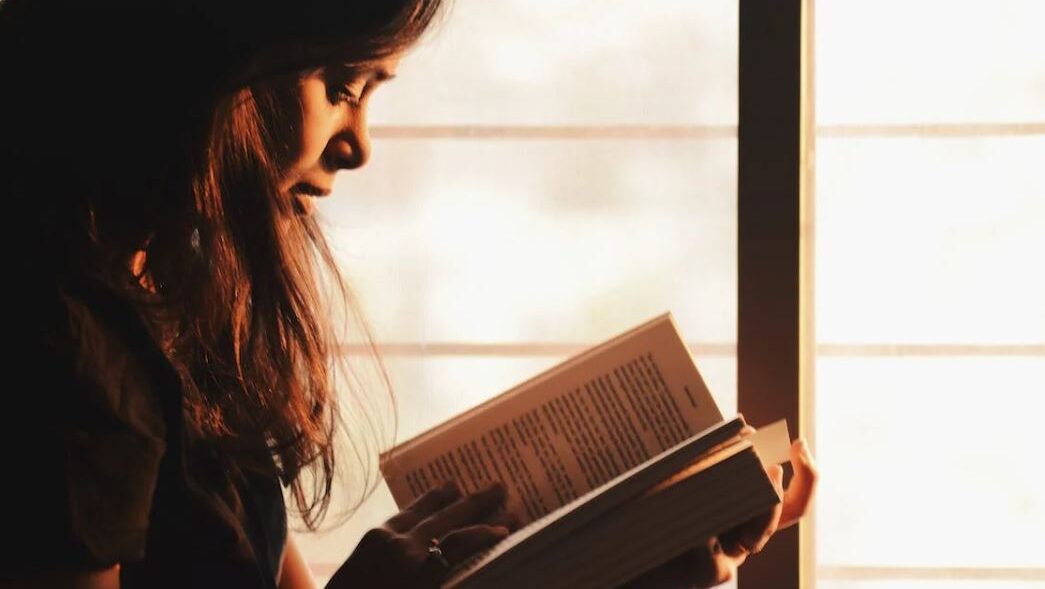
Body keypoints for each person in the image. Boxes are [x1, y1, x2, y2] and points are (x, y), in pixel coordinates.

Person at [0, 1, 816, 587]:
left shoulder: (177, 301)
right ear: (223, 47)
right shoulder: (61, 349)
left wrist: (631, 558)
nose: (358, 146)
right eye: (345, 83)